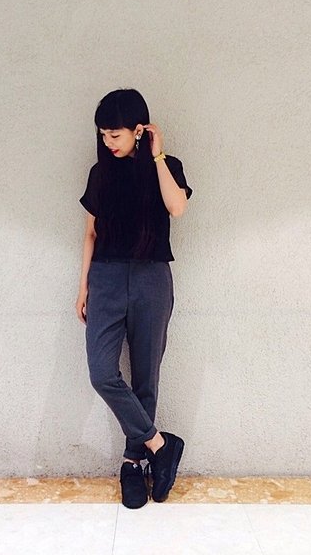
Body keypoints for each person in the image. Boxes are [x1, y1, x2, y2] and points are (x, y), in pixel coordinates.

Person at [75, 88, 192, 509]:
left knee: (146, 376)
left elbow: (177, 208)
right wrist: (83, 286)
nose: (108, 142)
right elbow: (90, 233)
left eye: (116, 135)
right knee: (102, 372)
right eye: (103, 135)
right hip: (105, 278)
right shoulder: (99, 173)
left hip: (151, 278)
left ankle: (132, 462)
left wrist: (156, 155)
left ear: (139, 130)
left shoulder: (167, 166)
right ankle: (160, 445)